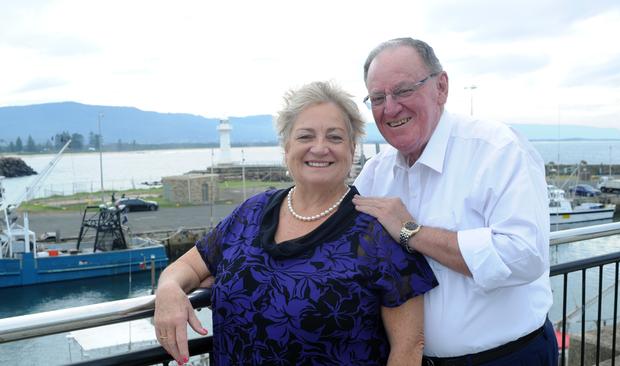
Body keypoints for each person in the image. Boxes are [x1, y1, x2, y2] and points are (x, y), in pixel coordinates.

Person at [153, 81, 438, 365]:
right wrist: (168, 291)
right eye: (305, 136)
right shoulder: (250, 214)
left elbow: (409, 348)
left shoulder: (376, 233)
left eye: (335, 138)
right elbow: (188, 266)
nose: (320, 148)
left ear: (352, 149)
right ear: (286, 147)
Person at [352, 37, 558, 365]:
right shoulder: (376, 174)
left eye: (404, 90)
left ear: (442, 88)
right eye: (378, 97)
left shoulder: (496, 149)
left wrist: (411, 232)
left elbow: (524, 255)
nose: (390, 108)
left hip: (507, 358)